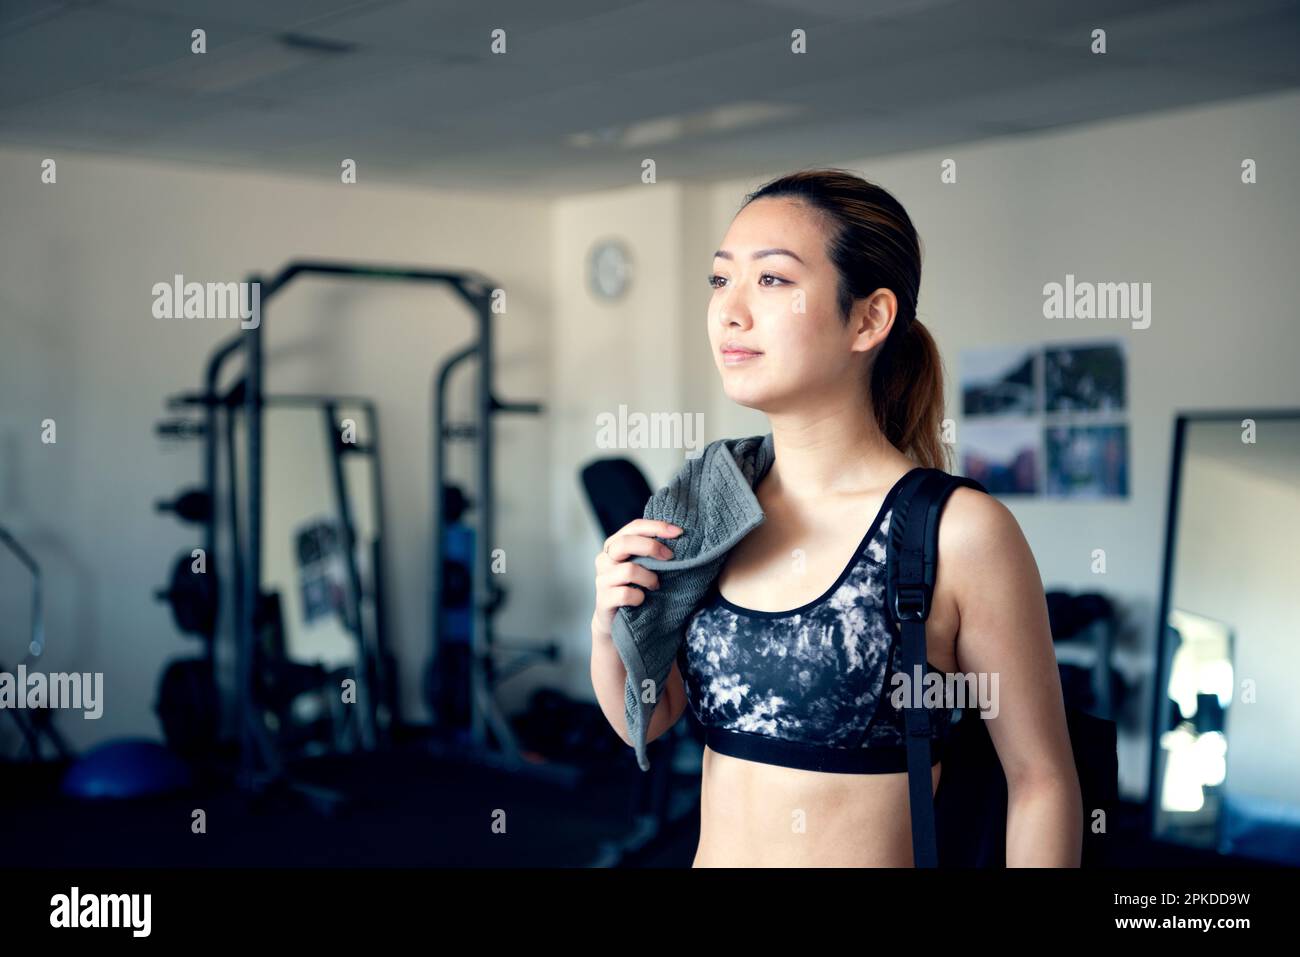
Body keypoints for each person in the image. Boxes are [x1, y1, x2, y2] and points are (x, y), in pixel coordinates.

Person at [589, 167, 1081, 867]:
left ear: (868, 318)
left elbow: (1042, 782)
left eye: (772, 280)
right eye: (720, 279)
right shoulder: (709, 506)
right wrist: (608, 626)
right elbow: (653, 713)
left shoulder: (956, 532)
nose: (730, 310)